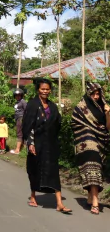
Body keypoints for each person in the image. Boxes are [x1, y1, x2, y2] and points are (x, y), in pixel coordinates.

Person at [22, 78, 72, 214]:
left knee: (53, 171)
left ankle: (59, 203)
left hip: (50, 144)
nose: (45, 91)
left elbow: (58, 123)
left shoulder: (53, 106)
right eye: (43, 89)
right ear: (38, 89)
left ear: (50, 90)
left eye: (47, 89)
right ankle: (33, 197)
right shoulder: (32, 105)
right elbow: (28, 125)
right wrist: (30, 143)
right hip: (36, 143)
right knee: (34, 169)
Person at [71, 82, 110, 215]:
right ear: (88, 93)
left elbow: (108, 128)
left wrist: (108, 113)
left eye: (98, 93)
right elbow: (74, 122)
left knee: (97, 170)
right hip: (86, 144)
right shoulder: (81, 107)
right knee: (92, 169)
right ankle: (95, 202)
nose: (95, 96)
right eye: (93, 93)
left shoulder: (104, 107)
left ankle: (90, 196)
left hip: (101, 144)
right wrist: (86, 131)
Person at [10, 88, 27, 155]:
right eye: (16, 95)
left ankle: (17, 150)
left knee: (19, 133)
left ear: (21, 95)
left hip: (21, 118)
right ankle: (23, 148)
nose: (17, 96)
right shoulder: (17, 102)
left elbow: (27, 110)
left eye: (19, 95)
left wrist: (24, 120)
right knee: (21, 133)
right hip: (18, 119)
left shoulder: (23, 101)